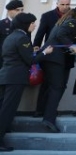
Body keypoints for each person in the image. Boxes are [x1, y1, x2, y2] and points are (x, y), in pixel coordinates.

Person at [0, 13, 53, 152]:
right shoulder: (23, 38)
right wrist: (45, 52)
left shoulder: (10, 37)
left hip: (6, 76)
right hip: (15, 78)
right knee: (7, 111)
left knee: (3, 108)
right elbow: (30, 60)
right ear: (25, 24)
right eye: (32, 23)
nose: (34, 25)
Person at [38, 7, 76, 132]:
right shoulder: (71, 22)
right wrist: (73, 47)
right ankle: (49, 119)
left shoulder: (63, 21)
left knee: (52, 87)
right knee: (57, 88)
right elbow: (61, 35)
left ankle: (46, 114)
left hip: (49, 58)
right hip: (55, 60)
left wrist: (70, 49)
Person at [32, 0, 71, 118]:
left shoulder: (72, 16)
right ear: (57, 4)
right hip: (50, 56)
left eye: (67, 4)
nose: (65, 7)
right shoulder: (48, 16)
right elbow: (40, 34)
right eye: (62, 4)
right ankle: (40, 110)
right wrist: (36, 48)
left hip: (66, 56)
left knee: (60, 85)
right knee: (47, 84)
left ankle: (52, 109)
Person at [0, 0, 24, 70]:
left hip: (18, 62)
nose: (20, 12)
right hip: (3, 61)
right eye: (17, 10)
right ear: (9, 11)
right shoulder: (2, 24)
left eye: (22, 10)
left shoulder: (24, 26)